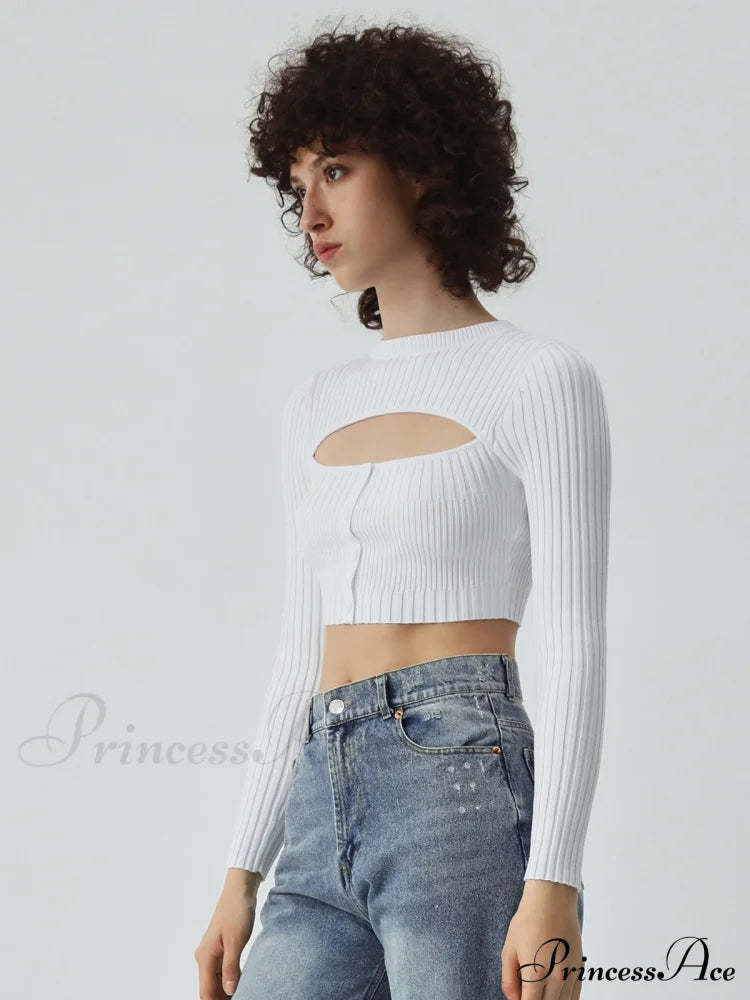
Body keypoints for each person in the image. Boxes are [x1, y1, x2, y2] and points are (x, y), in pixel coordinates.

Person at [195, 19, 611, 1000]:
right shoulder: (315, 403)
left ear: (422, 167)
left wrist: (555, 881)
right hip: (319, 790)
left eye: (336, 171)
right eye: (298, 185)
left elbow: (573, 636)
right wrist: (240, 872)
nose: (311, 213)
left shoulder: (537, 379)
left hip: (459, 780)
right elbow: (299, 653)